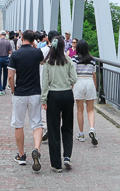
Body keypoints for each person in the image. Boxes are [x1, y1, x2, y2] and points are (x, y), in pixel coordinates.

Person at [7, 30, 44, 172]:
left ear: (21, 38)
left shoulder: (15, 54)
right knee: (37, 123)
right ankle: (36, 149)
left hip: (20, 93)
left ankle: (21, 155)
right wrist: (35, 45)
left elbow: (10, 76)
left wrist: (13, 89)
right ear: (34, 39)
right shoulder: (37, 52)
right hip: (35, 92)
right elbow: (41, 61)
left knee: (18, 124)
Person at [41, 37, 77, 172]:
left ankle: (56, 164)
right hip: (67, 94)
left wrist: (43, 100)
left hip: (53, 96)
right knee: (67, 127)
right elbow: (74, 78)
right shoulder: (68, 60)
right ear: (63, 47)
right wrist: (68, 83)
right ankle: (67, 155)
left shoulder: (48, 63)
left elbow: (45, 84)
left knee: (54, 129)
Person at [73, 39, 98, 145]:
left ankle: (81, 133)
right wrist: (95, 86)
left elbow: (73, 73)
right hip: (89, 82)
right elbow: (94, 74)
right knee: (90, 109)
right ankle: (92, 129)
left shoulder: (75, 59)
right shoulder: (92, 59)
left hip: (79, 81)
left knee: (79, 110)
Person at [0, 30, 12, 95]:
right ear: (5, 35)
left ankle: (0, 89)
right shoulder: (8, 42)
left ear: (0, 35)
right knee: (5, 74)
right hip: (6, 58)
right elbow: (10, 52)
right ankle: (4, 88)